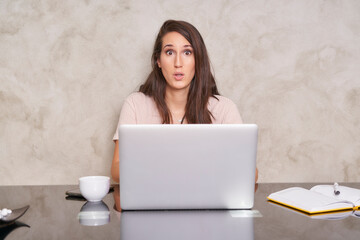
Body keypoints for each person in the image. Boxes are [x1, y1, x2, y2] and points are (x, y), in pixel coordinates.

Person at [111, 20, 258, 183]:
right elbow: (116, 170)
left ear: (198, 59)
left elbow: (251, 173)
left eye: (187, 53)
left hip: (207, 201)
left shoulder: (224, 108)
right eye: (169, 53)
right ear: (158, 61)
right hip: (154, 199)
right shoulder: (135, 104)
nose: (178, 63)